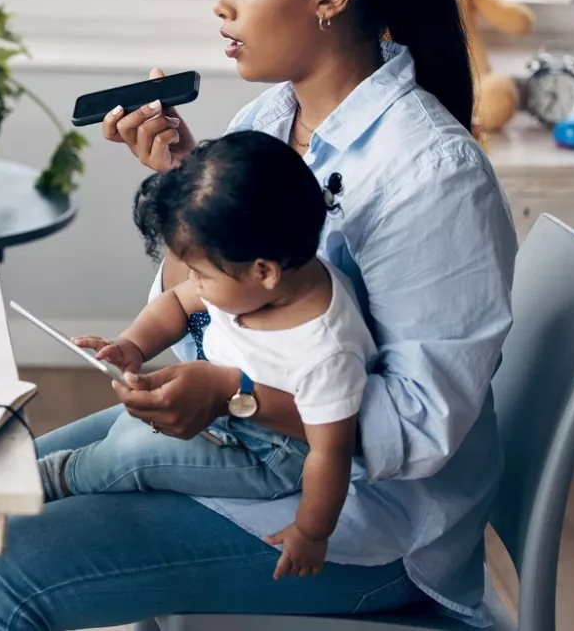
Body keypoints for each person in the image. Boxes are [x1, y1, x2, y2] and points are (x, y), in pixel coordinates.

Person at [0, 0, 517, 630]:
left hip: (359, 527)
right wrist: (190, 193)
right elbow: (205, 315)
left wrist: (237, 394)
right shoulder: (265, 123)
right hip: (240, 447)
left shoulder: (433, 179)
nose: (221, 6)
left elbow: (418, 430)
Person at [39, 132, 376, 581]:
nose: (191, 282)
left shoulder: (325, 349)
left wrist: (312, 533)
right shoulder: (251, 280)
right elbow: (176, 305)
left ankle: (63, 479)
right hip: (223, 412)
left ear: (264, 271)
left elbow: (329, 455)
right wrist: (132, 346)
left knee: (135, 454)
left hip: (268, 454)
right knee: (132, 423)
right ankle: (55, 474)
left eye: (199, 273)